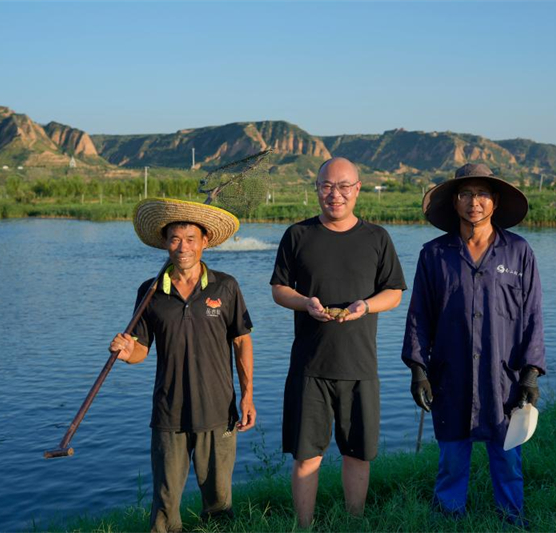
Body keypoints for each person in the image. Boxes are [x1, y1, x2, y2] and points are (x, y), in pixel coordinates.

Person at [401, 163, 545, 526]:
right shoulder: (434, 255)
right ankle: (449, 515)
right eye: (465, 194)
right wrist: (419, 370)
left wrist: (530, 374)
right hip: (450, 372)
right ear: (454, 202)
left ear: (495, 201)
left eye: (482, 194)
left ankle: (512, 517)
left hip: (505, 375)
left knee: (508, 456)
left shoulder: (518, 253)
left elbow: (532, 316)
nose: (473, 202)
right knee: (451, 456)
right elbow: (419, 315)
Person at [270, 157, 407, 527]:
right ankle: (304, 526)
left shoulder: (377, 237)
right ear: (316, 189)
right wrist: (305, 302)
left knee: (358, 454)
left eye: (344, 186)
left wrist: (365, 306)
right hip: (309, 366)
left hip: (360, 365)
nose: (336, 194)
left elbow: (394, 292)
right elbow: (279, 290)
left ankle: (355, 522)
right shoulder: (297, 235)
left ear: (357, 189)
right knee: (306, 456)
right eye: (327, 186)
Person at [109, 198, 256, 533]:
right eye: (175, 239)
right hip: (168, 413)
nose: (183, 247)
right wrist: (125, 351)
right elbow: (141, 351)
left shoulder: (226, 286)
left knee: (219, 503)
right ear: (164, 243)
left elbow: (242, 341)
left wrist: (247, 397)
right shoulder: (149, 292)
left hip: (219, 411)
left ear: (205, 242)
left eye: (191, 239)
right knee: (164, 505)